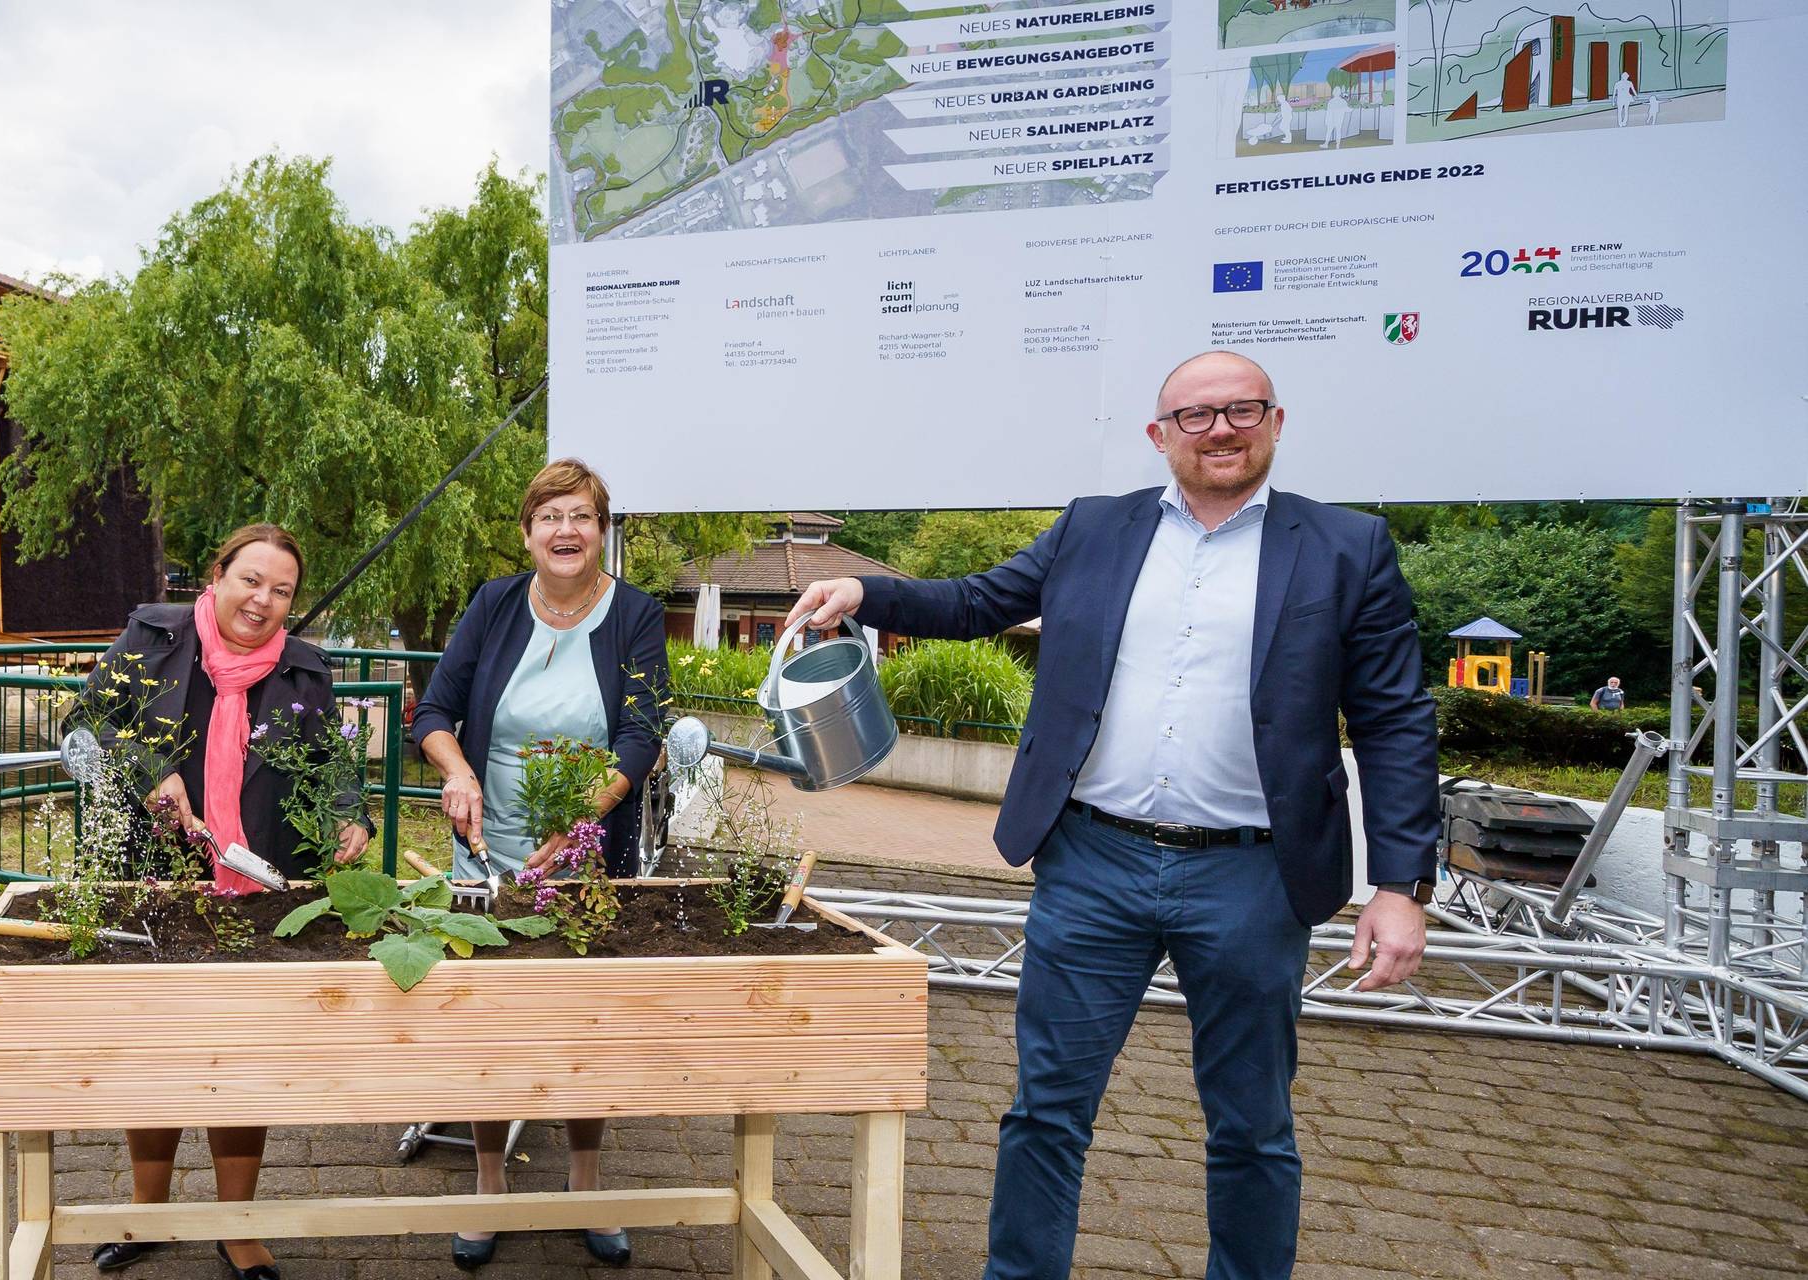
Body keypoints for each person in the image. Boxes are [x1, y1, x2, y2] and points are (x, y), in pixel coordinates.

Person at [784, 350, 1438, 1280]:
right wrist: (866, 591)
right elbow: (976, 601)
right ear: (1158, 435)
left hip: (1252, 878)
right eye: (1195, 415)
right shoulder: (1095, 528)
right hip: (1091, 864)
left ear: (1276, 421)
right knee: (1045, 1112)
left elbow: (1394, 717)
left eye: (1241, 410)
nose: (1220, 428)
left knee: (1253, 1127)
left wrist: (1400, 886)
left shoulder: (1346, 547)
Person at [76, 523, 371, 1280]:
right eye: (250, 580)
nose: (262, 600)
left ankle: (236, 1225)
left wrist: (350, 813)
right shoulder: (152, 636)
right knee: (155, 1054)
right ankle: (150, 1215)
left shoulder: (304, 670)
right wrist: (150, 770)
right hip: (154, 873)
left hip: (254, 885)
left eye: (281, 591)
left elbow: (331, 762)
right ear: (217, 575)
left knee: (242, 1056)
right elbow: (88, 718)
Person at [412, 457, 670, 1270]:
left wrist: (580, 821)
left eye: (582, 516)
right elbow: (433, 710)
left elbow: (640, 735)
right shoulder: (491, 605)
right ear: (526, 532)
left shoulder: (636, 615)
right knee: (492, 1022)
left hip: (586, 849)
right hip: (488, 848)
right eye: (550, 515)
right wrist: (456, 771)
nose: (566, 530)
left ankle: (585, 1184)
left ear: (601, 531)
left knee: (583, 1023)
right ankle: (489, 1187)